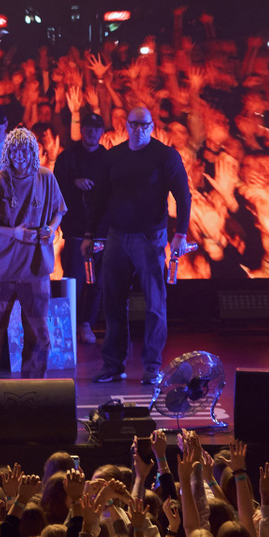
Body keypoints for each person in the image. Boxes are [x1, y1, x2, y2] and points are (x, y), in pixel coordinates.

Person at [95, 106, 190, 385]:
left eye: (144, 125)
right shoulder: (114, 156)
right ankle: (114, 365)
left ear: (152, 127)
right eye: (134, 125)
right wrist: (91, 233)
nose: (138, 130)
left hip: (150, 237)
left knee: (155, 304)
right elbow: (100, 197)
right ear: (126, 126)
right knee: (112, 301)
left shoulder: (165, 155)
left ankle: (152, 367)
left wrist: (181, 234)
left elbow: (183, 195)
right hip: (117, 235)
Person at [0, 128, 66, 380]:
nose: (19, 155)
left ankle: (33, 388)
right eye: (13, 150)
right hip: (0, 271)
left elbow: (59, 210)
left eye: (24, 150)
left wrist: (51, 229)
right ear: (7, 153)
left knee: (39, 334)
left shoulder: (45, 177)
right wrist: (14, 233)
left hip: (35, 270)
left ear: (33, 152)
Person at [54, 110, 110, 346]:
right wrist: (74, 183)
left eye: (96, 129)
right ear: (82, 130)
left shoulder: (107, 158)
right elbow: (55, 188)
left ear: (101, 132)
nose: (91, 132)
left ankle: (87, 323)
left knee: (97, 282)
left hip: (101, 230)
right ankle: (69, 324)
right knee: (73, 279)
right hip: (76, 228)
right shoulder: (67, 157)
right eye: (88, 128)